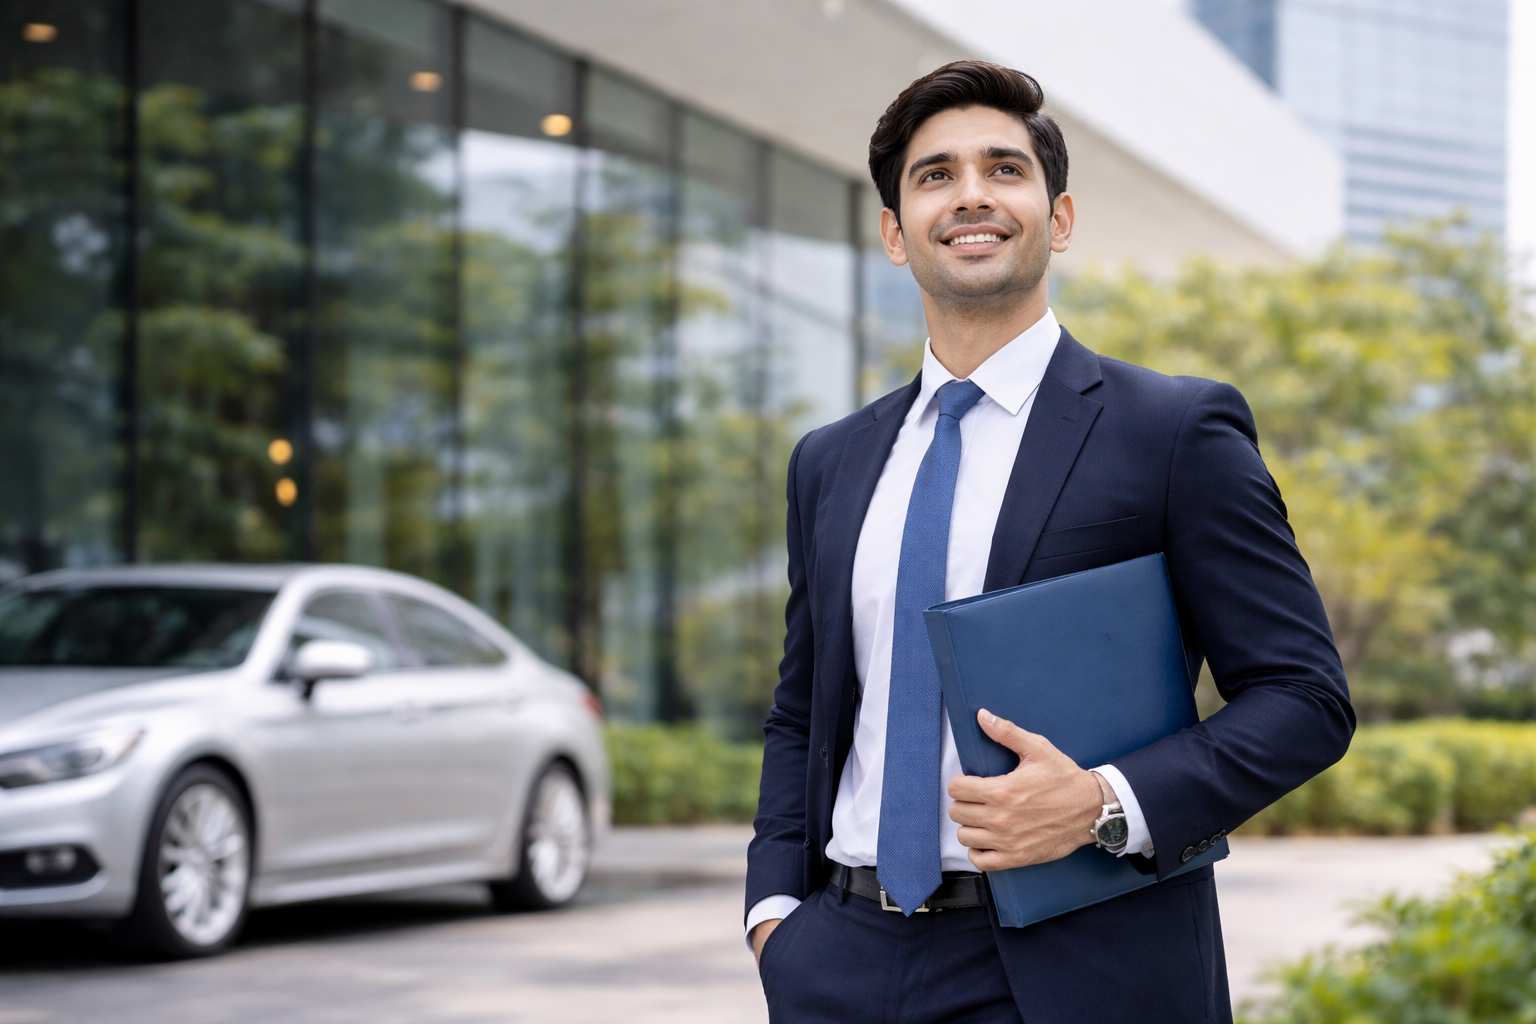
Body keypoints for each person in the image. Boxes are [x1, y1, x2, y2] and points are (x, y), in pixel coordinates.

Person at [744, 61, 1354, 1023]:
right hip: (839, 961)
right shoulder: (830, 461)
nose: (971, 194)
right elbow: (802, 713)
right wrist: (775, 913)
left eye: (1004, 168)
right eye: (935, 175)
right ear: (895, 234)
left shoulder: (1172, 430)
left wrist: (1105, 803)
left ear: (1057, 218)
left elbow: (1306, 699)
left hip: (1084, 966)